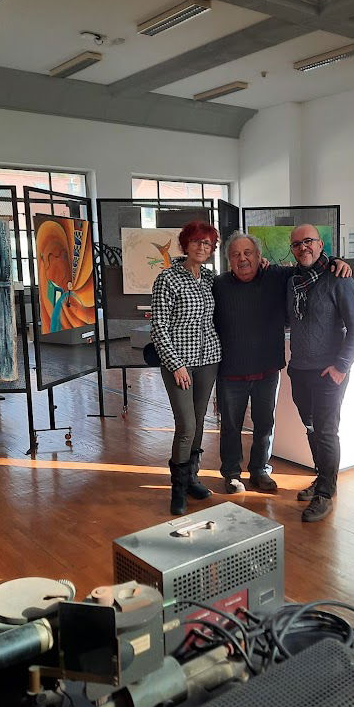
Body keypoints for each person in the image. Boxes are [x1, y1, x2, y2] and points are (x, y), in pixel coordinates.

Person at [213, 231, 351, 495]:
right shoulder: (218, 285)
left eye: (248, 253)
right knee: (230, 426)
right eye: (235, 255)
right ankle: (231, 473)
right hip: (230, 371)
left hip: (267, 370)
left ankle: (260, 470)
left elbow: (309, 262)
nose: (242, 259)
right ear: (229, 260)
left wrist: (336, 261)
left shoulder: (276, 276)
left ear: (259, 256)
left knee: (265, 424)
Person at [286, 224, 354, 523]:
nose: (303, 247)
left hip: (328, 373)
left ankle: (325, 493)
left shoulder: (339, 279)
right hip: (299, 370)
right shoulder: (293, 281)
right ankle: (321, 478)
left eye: (308, 241)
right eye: (297, 244)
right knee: (310, 427)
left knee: (326, 430)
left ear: (321, 245)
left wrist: (341, 366)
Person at [150, 220, 221, 516]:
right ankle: (177, 489)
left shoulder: (211, 279)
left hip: (209, 360)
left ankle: (192, 479)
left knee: (200, 422)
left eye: (207, 243)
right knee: (186, 426)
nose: (201, 247)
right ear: (184, 244)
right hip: (179, 363)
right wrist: (176, 363)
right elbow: (159, 326)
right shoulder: (167, 278)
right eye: (196, 241)